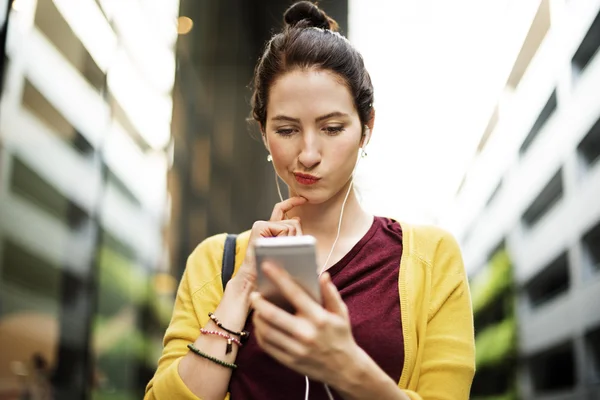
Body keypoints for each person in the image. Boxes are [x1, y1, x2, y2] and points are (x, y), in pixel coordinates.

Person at [144, 1, 475, 399]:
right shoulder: (217, 262)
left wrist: (347, 368)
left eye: (332, 128)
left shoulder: (429, 258)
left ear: (366, 128)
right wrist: (241, 287)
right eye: (286, 130)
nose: (309, 153)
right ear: (264, 133)